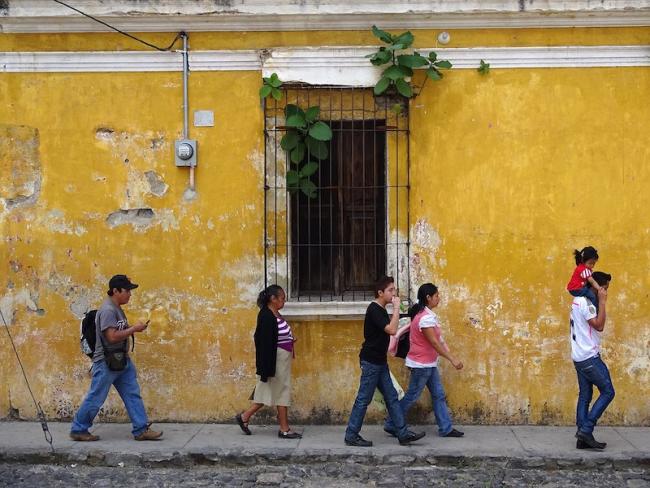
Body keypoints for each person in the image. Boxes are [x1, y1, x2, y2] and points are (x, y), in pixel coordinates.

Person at [70, 275, 163, 441]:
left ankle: (141, 429)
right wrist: (134, 328)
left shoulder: (117, 308)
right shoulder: (108, 310)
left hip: (121, 360)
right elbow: (112, 337)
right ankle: (78, 429)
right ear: (115, 291)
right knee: (96, 396)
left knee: (132, 393)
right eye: (127, 291)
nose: (130, 294)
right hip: (106, 362)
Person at [344, 276, 426, 447]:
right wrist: (396, 309)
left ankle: (403, 434)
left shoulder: (380, 310)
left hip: (380, 362)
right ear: (380, 293)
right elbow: (392, 330)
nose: (394, 293)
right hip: (371, 362)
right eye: (390, 290)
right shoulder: (374, 309)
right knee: (363, 399)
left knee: (392, 397)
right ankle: (351, 435)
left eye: (394, 289)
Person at [384, 283, 464, 438]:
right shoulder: (425, 318)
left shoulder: (424, 314)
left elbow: (436, 342)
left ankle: (446, 428)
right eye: (436, 296)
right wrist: (452, 359)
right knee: (412, 396)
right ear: (428, 298)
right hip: (421, 365)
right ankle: (391, 423)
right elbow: (434, 342)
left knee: (438, 394)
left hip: (428, 363)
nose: (438, 298)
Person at [236, 285, 302, 439]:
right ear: (273, 299)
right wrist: (265, 368)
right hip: (276, 361)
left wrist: (289, 340)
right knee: (279, 392)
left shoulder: (274, 313)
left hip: (282, 359)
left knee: (271, 392)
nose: (284, 301)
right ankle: (283, 429)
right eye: (282, 298)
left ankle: (245, 417)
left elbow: (276, 336)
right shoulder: (266, 316)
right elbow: (264, 343)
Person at [570, 271, 613, 449]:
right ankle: (586, 430)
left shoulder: (577, 300)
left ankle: (582, 439)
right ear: (597, 287)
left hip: (578, 356)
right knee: (608, 391)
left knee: (585, 396)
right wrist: (602, 302)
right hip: (589, 357)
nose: (606, 292)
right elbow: (599, 326)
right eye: (605, 289)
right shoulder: (587, 303)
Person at [567, 246, 603, 311]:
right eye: (590, 263)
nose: (592, 265)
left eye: (594, 263)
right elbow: (592, 281)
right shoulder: (584, 269)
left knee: (588, 291)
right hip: (576, 289)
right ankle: (595, 310)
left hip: (574, 288)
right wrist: (599, 288)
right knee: (592, 296)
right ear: (583, 261)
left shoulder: (581, 267)